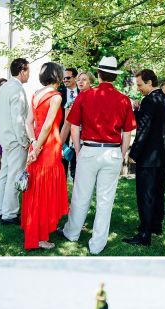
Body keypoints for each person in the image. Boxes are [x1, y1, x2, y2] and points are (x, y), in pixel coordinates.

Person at [59, 56, 136, 255]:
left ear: (99, 74)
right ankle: (97, 244)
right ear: (114, 76)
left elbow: (74, 126)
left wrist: (78, 150)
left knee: (81, 195)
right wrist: (121, 154)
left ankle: (72, 233)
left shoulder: (85, 96)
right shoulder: (124, 100)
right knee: (105, 200)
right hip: (112, 151)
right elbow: (127, 133)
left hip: (90, 149)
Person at [21, 62, 68, 251]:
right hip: (47, 148)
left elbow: (28, 122)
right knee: (44, 192)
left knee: (36, 190)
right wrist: (38, 148)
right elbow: (48, 126)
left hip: (37, 145)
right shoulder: (56, 96)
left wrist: (33, 143)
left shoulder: (35, 94)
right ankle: (40, 237)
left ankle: (37, 230)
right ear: (58, 76)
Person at [124, 69, 165, 247]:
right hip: (162, 154)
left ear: (149, 82)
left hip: (148, 156)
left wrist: (134, 153)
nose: (138, 88)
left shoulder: (149, 100)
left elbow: (144, 129)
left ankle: (144, 234)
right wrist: (138, 110)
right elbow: (155, 123)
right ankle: (156, 226)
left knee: (145, 194)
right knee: (158, 192)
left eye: (140, 85)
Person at [0, 58, 30, 225]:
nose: (29, 74)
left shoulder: (4, 87)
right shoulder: (17, 89)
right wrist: (25, 141)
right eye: (28, 71)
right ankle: (9, 214)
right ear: (22, 71)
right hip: (15, 139)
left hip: (4, 137)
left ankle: (0, 209)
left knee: (4, 174)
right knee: (14, 176)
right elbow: (19, 119)